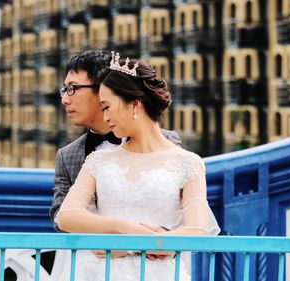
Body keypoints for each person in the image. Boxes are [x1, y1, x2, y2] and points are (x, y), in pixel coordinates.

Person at [55, 53, 220, 280]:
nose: (105, 116)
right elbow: (66, 215)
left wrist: (131, 246)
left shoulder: (188, 163)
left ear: (134, 104)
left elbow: (198, 231)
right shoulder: (98, 160)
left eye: (107, 106)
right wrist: (125, 230)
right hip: (99, 272)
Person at [50, 50, 181, 231]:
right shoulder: (68, 156)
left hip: (154, 252)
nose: (65, 99)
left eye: (72, 88)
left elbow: (179, 210)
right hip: (92, 255)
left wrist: (159, 241)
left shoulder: (167, 142)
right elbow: (59, 217)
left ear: (103, 88)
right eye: (64, 90)